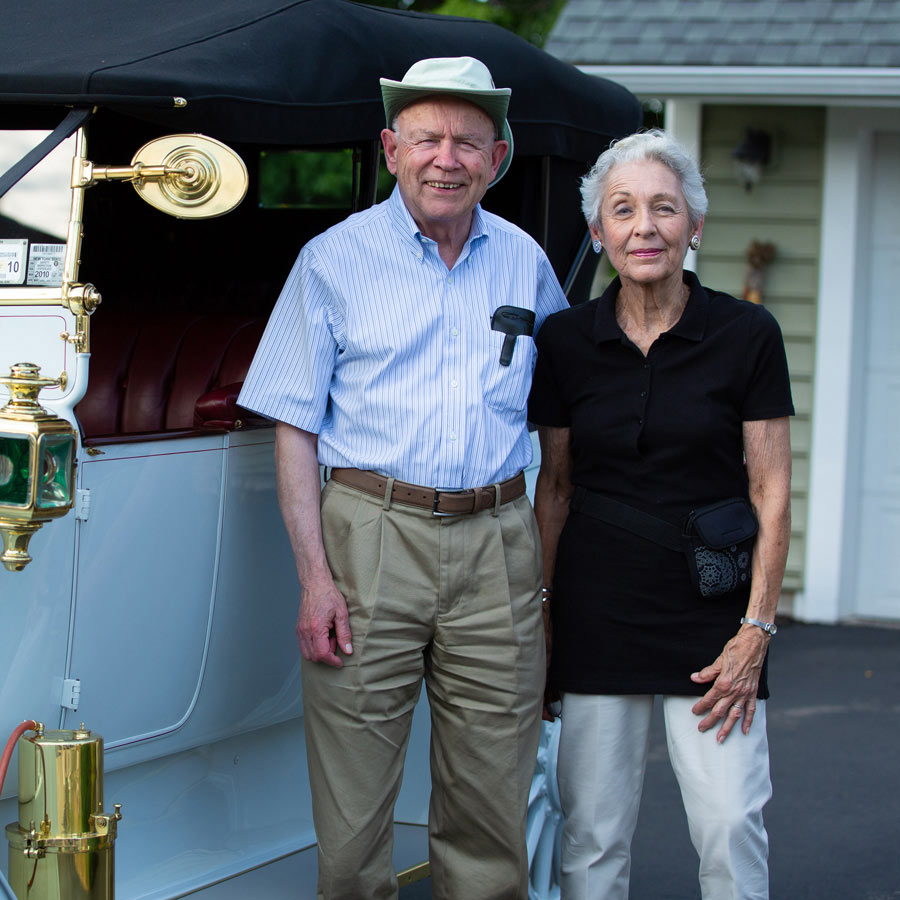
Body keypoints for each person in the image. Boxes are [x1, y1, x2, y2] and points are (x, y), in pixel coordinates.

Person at [238, 56, 568, 900]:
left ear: (497, 159)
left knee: (492, 825)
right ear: (391, 149)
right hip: (369, 536)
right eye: (427, 138)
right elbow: (292, 427)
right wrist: (315, 579)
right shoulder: (332, 260)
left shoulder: (526, 264)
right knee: (353, 833)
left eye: (468, 141)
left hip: (498, 541)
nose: (446, 159)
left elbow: (563, 415)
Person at [529, 129, 793, 900]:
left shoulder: (747, 336)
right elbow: (556, 489)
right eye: (623, 210)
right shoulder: (567, 341)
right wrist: (544, 622)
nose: (644, 227)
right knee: (592, 838)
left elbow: (771, 491)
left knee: (730, 824)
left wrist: (757, 631)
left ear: (694, 225)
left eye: (663, 208)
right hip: (597, 612)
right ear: (598, 234)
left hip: (713, 619)